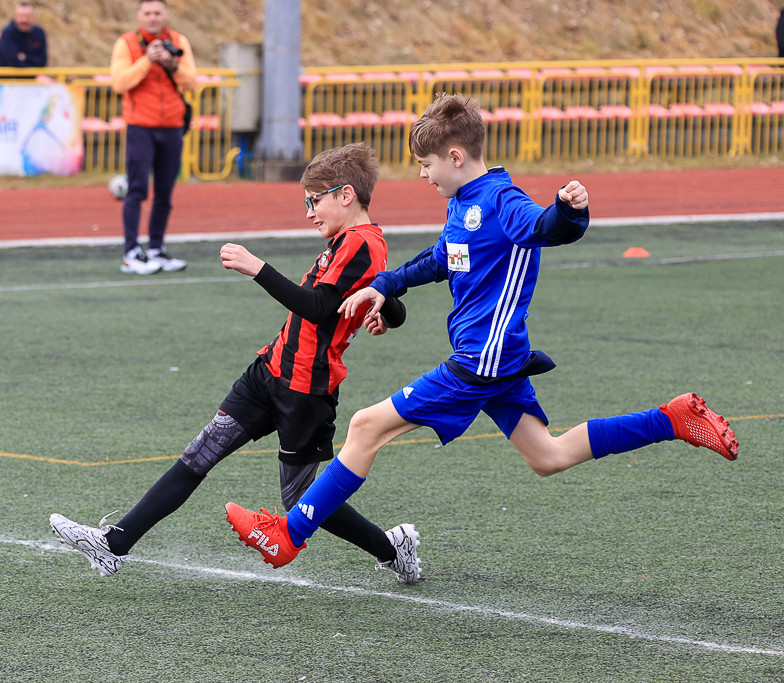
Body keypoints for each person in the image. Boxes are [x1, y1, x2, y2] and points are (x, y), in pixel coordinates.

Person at [226, 93, 740, 571]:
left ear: (454, 156)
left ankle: (290, 534)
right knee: (549, 456)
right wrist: (385, 285)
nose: (423, 176)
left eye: (426, 166)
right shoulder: (463, 202)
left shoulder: (499, 200)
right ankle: (670, 419)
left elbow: (544, 228)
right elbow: (441, 258)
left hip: (482, 360)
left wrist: (569, 211)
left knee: (364, 427)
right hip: (501, 357)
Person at [51, 143, 424, 584]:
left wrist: (257, 268)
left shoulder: (363, 243)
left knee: (302, 497)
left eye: (314, 199)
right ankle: (113, 545)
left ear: (346, 195)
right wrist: (384, 311)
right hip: (269, 372)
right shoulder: (349, 241)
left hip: (306, 389)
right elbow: (386, 296)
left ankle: (392, 549)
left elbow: (321, 307)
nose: (308, 211)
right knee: (198, 455)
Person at [110, 0, 196, 275]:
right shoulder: (127, 43)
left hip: (171, 126)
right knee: (136, 189)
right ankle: (131, 252)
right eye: (147, 13)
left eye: (157, 12)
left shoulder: (178, 40)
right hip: (140, 126)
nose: (152, 17)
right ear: (139, 15)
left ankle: (157, 249)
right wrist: (147, 60)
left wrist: (171, 64)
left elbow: (191, 81)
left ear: (166, 15)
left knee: (165, 193)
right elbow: (119, 83)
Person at [0, 1, 48, 69]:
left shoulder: (40, 32)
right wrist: (32, 61)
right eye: (21, 16)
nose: (24, 20)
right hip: (6, 78)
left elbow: (42, 61)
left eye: (28, 16)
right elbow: (12, 61)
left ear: (34, 17)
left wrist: (25, 57)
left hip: (31, 78)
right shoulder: (8, 33)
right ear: (15, 17)